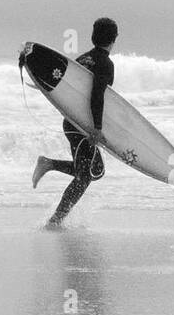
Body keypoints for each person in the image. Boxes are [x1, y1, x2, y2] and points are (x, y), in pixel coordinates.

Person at [32, 17, 118, 228]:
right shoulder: (105, 64)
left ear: (93, 36)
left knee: (96, 170)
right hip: (83, 126)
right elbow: (97, 95)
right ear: (114, 39)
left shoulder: (81, 59)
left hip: (72, 122)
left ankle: (48, 164)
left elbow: (66, 91)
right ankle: (55, 221)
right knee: (85, 177)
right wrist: (96, 128)